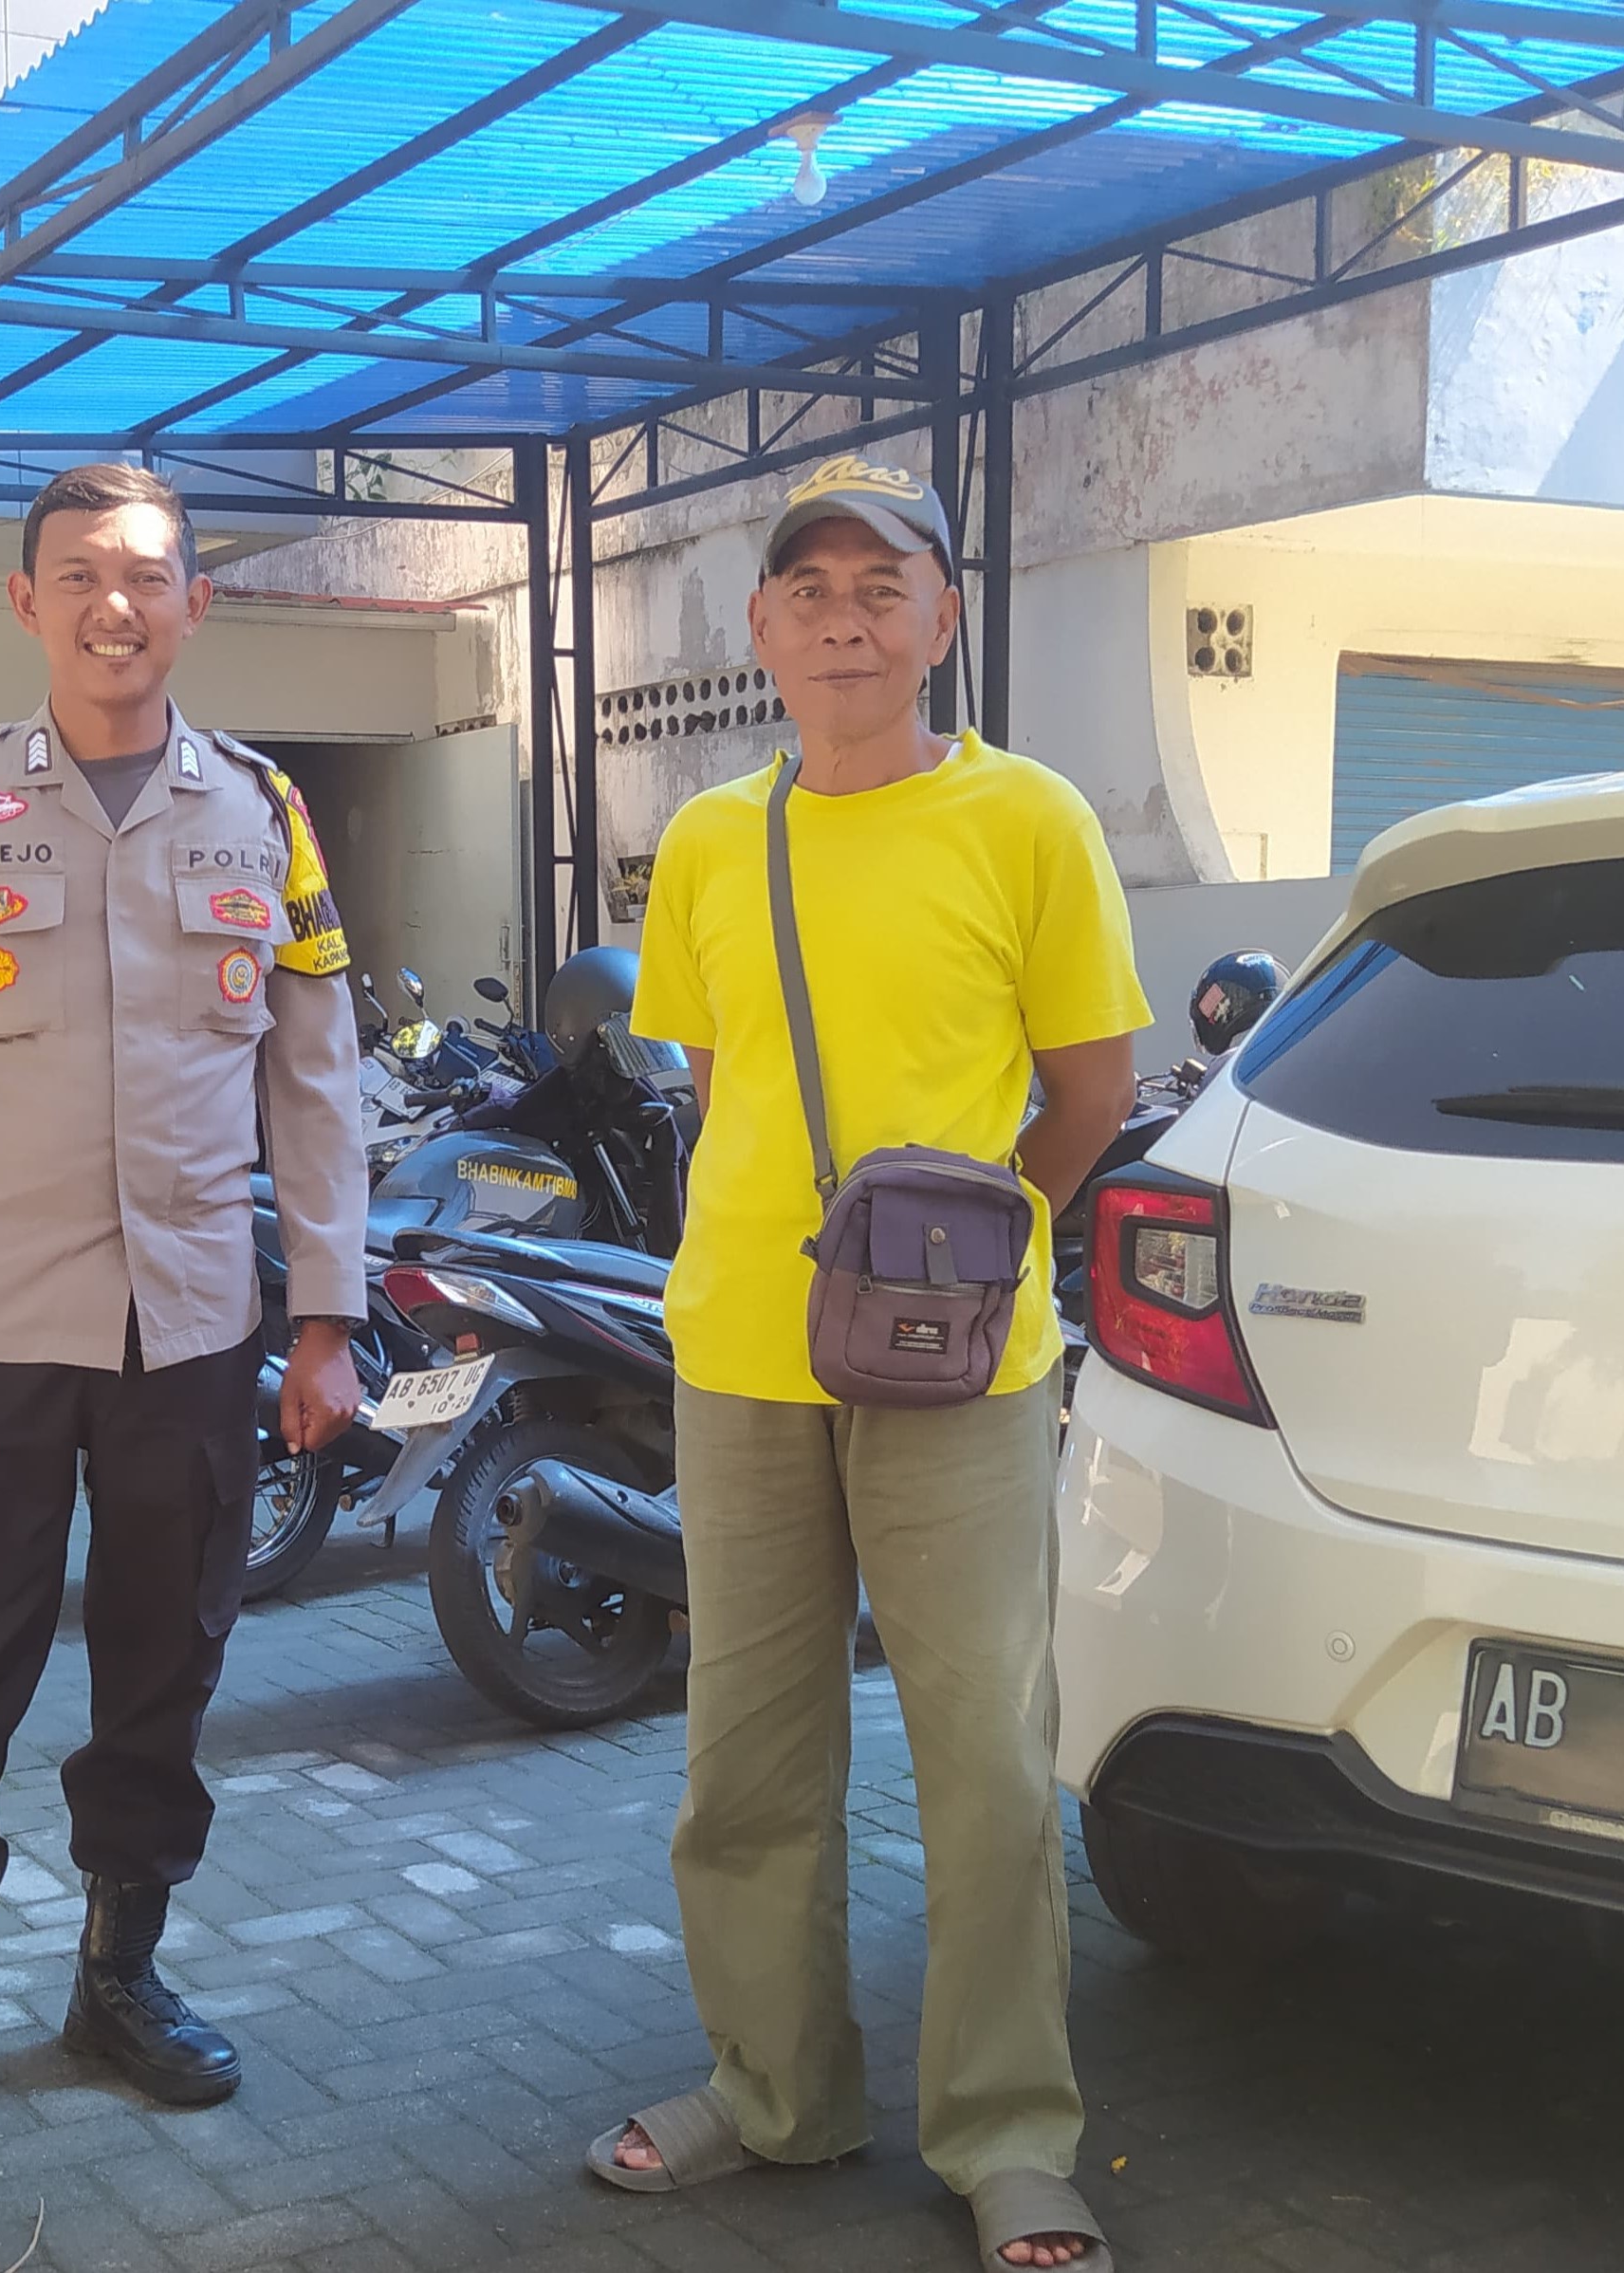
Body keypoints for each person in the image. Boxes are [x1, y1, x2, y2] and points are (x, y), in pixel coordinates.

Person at [0, 461, 368, 2198]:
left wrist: (328, 1316)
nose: (118, 605)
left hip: (194, 1327)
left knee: (166, 1660)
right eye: (83, 576)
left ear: (196, 605)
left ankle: (119, 1980)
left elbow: (315, 1078)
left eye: (149, 576)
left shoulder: (265, 814)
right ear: (28, 602)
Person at [591, 455, 1147, 2270]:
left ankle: (1007, 2133)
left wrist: (973, 1262)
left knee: (984, 1757)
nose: (845, 619)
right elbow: (712, 1084)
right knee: (745, 1755)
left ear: (943, 619)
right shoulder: (706, 841)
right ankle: (775, 2093)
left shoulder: (1030, 820)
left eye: (881, 586)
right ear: (760, 628)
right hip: (744, 1357)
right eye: (810, 590)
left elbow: (1090, 1094)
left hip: (963, 1374)